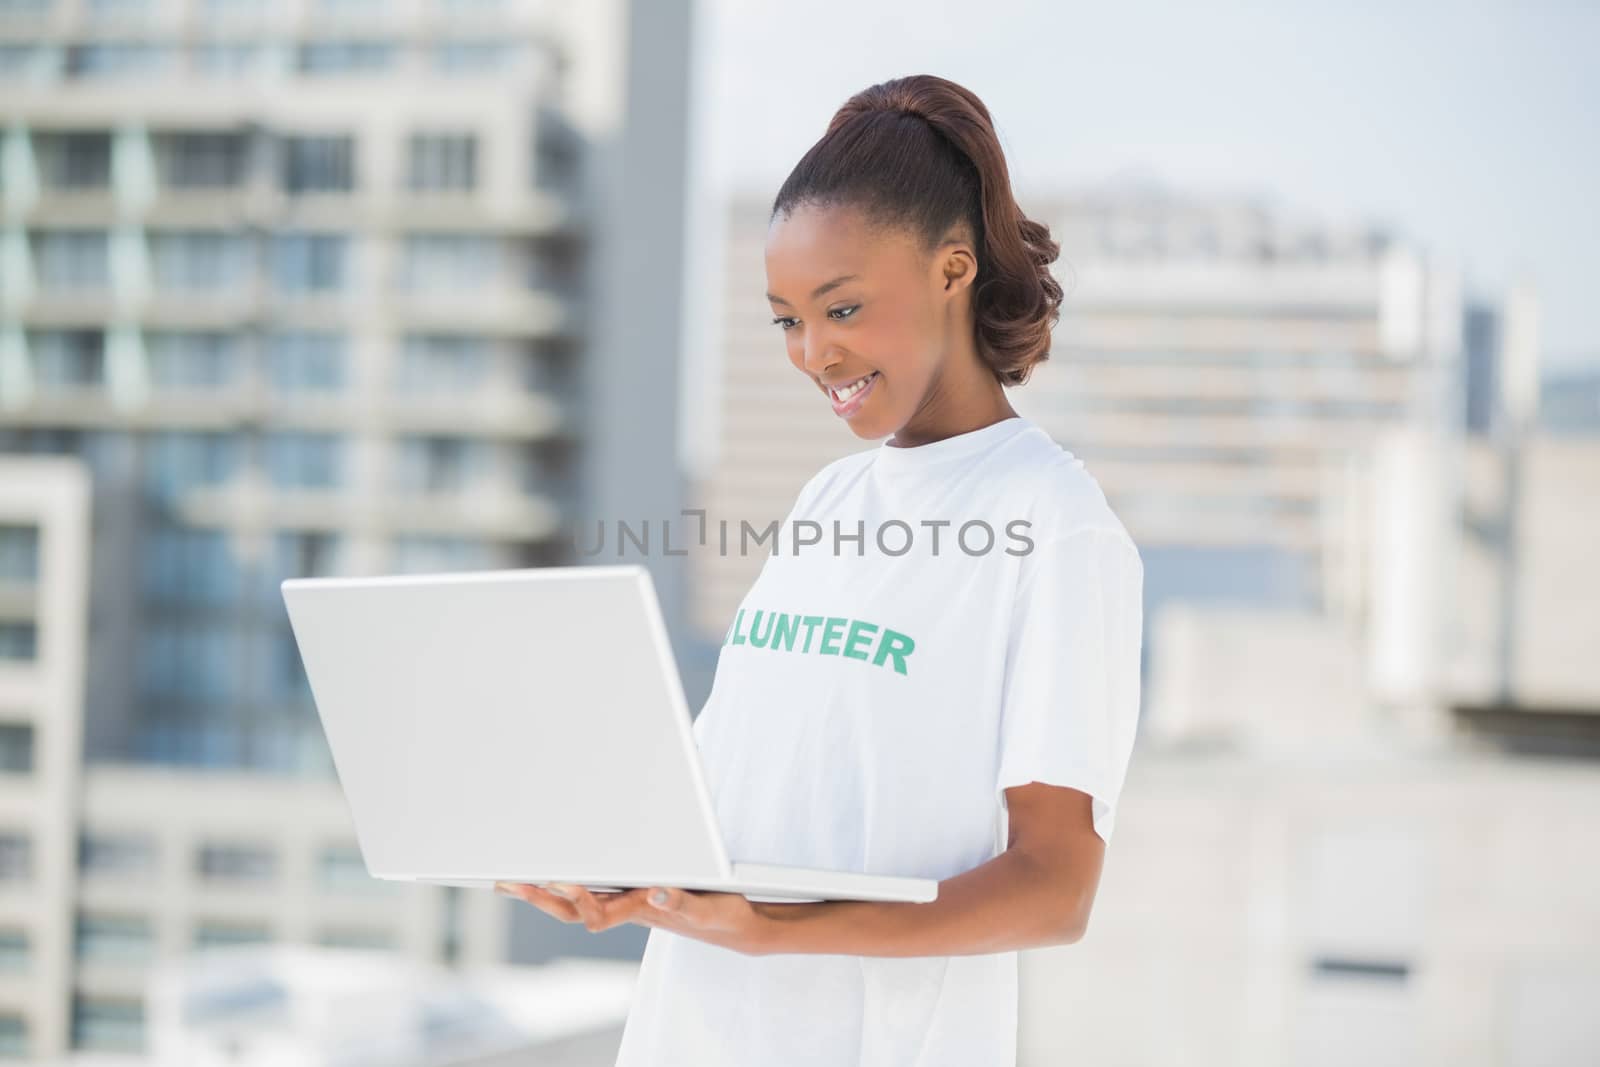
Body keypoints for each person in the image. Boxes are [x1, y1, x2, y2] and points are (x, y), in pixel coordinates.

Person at [496, 72, 1145, 1066]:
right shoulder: (831, 502)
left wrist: (780, 928)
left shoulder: (1054, 524)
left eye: (841, 307)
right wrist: (616, 864)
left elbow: (1054, 885)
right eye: (786, 318)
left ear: (952, 269)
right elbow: (737, 792)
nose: (812, 352)